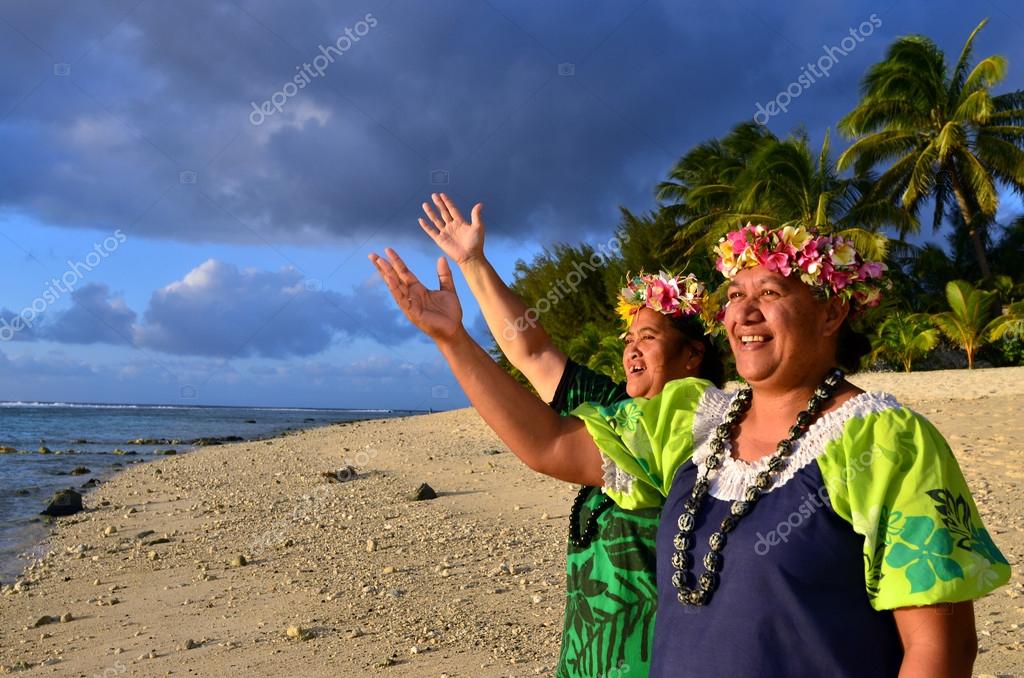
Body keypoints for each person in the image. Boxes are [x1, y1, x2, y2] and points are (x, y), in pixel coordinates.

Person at [369, 222, 1010, 677]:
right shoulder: (693, 421)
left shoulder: (886, 441)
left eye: (771, 293)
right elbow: (548, 443)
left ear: (831, 313)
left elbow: (942, 652)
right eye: (735, 294)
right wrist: (452, 340)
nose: (744, 312)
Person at [413, 193, 723, 677]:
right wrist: (473, 264)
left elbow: (548, 444)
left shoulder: (690, 418)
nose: (632, 350)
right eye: (629, 339)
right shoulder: (619, 407)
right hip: (588, 654)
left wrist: (453, 341)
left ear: (693, 355)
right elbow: (532, 351)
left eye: (649, 337)